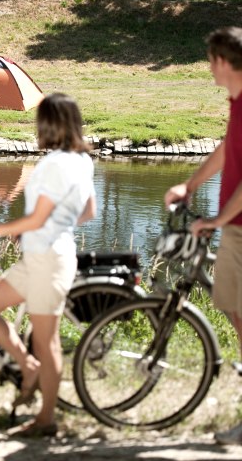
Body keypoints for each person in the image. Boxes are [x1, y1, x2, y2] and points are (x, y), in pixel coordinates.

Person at [0, 92, 96, 437]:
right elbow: (87, 212)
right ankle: (26, 366)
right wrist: (46, 227)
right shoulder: (81, 161)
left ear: (49, 124)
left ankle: (46, 420)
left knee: (47, 343)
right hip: (41, 256)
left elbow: (36, 218)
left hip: (48, 263)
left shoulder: (53, 165)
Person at [164, 26, 242, 446]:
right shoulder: (237, 103)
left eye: (211, 59)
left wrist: (216, 219)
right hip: (236, 228)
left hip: (241, 229)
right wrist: (189, 186)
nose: (209, 67)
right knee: (233, 309)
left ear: (223, 62)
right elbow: (227, 150)